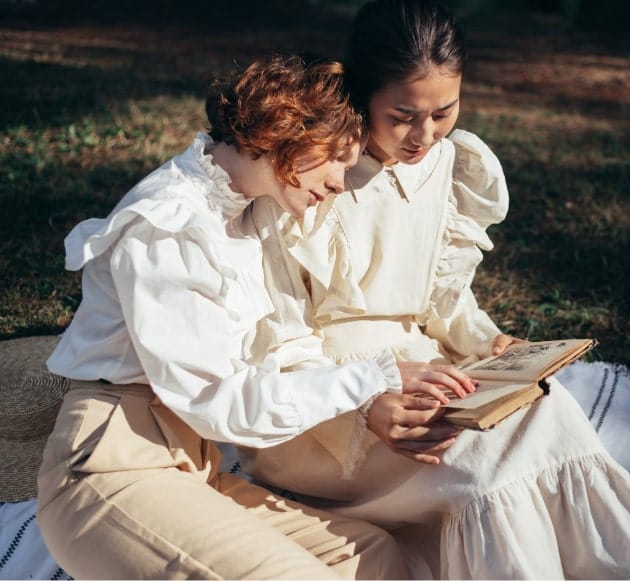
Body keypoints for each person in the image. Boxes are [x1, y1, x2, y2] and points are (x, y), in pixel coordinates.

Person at [238, 1, 630, 579]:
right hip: (325, 409)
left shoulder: (447, 163)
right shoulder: (306, 177)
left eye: (443, 112)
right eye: (402, 116)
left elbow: (442, 299)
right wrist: (367, 407)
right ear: (363, 95)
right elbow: (277, 342)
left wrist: (488, 342)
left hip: (419, 361)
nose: (424, 135)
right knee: (483, 462)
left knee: (547, 408)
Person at [35, 54, 475, 580]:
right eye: (337, 159)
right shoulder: (169, 225)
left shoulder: (241, 213)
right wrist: (371, 377)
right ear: (292, 135)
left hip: (193, 469)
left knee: (371, 555)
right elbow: (217, 402)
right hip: (113, 470)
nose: (341, 182)